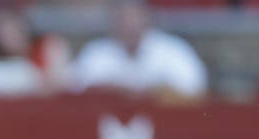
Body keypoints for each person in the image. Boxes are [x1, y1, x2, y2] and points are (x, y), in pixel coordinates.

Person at [67, 0, 207, 100]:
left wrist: (151, 92)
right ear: (113, 19)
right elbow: (75, 91)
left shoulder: (174, 51)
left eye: (134, 16)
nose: (129, 23)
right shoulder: (96, 53)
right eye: (123, 16)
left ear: (146, 16)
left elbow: (194, 91)